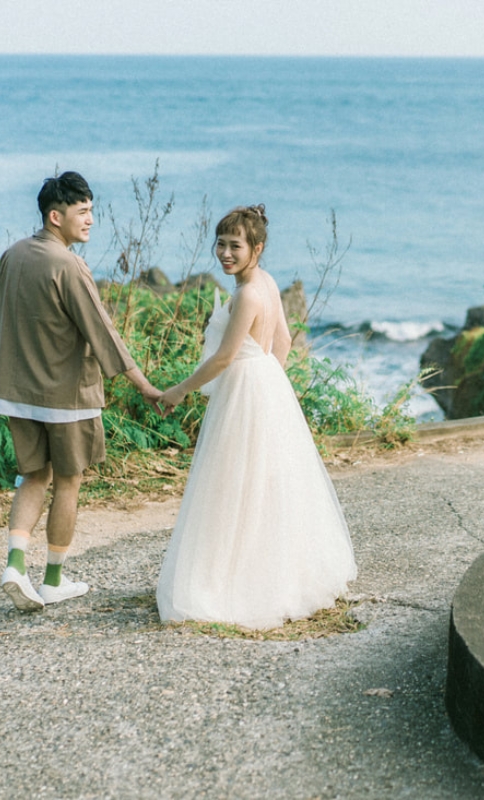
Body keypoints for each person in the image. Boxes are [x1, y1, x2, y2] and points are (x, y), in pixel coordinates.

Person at [155, 205, 356, 629]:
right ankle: (274, 572)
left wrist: (179, 390)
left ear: (257, 248)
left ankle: (235, 581)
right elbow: (282, 340)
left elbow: (226, 356)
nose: (225, 253)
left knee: (231, 485)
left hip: (245, 387)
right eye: (222, 244)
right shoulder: (266, 283)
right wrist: (270, 385)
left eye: (235, 246)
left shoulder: (247, 293)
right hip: (265, 382)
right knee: (263, 483)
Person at [0, 171, 163, 612]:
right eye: (82, 212)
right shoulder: (67, 265)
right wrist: (143, 385)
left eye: (92, 211)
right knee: (68, 482)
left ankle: (15, 565)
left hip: (16, 391)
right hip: (66, 396)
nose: (90, 220)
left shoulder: (12, 256)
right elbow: (102, 331)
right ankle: (51, 580)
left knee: (33, 477)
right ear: (56, 216)